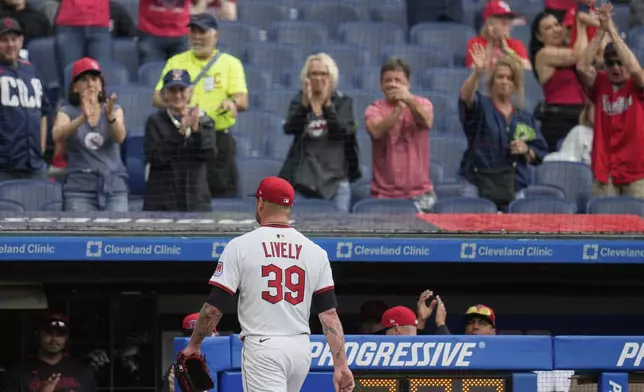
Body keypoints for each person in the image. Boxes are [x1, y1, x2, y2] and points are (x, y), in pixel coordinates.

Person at [179, 176, 354, 392]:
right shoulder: (316, 251)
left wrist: (195, 344)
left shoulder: (240, 246)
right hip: (300, 350)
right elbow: (329, 315)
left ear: (261, 203)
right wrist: (341, 364)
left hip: (263, 346)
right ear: (289, 207)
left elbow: (214, 308)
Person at [153, 13, 248, 198]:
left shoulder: (231, 64)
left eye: (202, 32)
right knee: (185, 193)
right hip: (185, 136)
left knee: (222, 194)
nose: (196, 37)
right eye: (193, 31)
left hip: (218, 138)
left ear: (215, 35)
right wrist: (177, 102)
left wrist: (232, 103)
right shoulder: (176, 62)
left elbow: (242, 100)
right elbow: (156, 98)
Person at [459, 46, 548, 208]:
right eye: (500, 77)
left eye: (510, 78)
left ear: (515, 83)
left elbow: (539, 153)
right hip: (477, 184)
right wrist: (477, 73)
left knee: (515, 232)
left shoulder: (524, 118)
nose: (505, 81)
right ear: (493, 80)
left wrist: (526, 150)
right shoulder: (482, 106)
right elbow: (466, 97)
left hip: (514, 187)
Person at [576, 3, 644, 198]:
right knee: (603, 227)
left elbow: (636, 70)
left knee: (637, 227)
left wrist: (612, 31)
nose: (615, 67)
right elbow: (581, 66)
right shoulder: (601, 83)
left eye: (619, 63)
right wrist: (600, 31)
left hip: (637, 172)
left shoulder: (637, 84)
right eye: (610, 63)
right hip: (605, 172)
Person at [280, 53, 360, 213]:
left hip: (336, 181)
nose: (318, 78)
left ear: (332, 77)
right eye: (313, 73)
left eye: (323, 73)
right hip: (303, 181)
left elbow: (342, 132)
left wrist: (328, 107)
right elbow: (290, 128)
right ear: (306, 77)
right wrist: (304, 105)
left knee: (337, 231)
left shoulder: (344, 103)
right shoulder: (299, 101)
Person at [52, 57, 129, 212]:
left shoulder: (114, 110)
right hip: (78, 189)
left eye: (94, 79)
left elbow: (119, 137)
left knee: (116, 235)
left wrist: (110, 118)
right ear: (75, 87)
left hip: (114, 187)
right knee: (80, 236)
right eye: (84, 80)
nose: (90, 84)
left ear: (101, 85)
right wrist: (82, 118)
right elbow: (57, 135)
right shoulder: (67, 111)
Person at [364, 58, 436, 212]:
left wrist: (408, 100)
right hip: (384, 195)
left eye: (398, 80)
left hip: (421, 195)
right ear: (381, 85)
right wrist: (398, 110)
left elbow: (427, 121)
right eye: (388, 80)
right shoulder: (374, 109)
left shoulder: (423, 103)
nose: (393, 84)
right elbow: (376, 131)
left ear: (408, 84)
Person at [143, 69, 215, 212]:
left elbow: (210, 154)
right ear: (164, 94)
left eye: (182, 90)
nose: (177, 95)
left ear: (190, 92)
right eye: (172, 90)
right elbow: (155, 157)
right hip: (162, 200)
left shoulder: (204, 120)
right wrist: (181, 133)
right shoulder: (155, 121)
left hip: (195, 199)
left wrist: (196, 132)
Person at [530, 12, 588, 152]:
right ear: (539, 36)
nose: (556, 29)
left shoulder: (567, 50)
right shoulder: (543, 55)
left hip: (581, 116)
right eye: (548, 28)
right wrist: (581, 25)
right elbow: (579, 55)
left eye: (557, 25)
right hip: (559, 121)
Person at [0, 17, 49, 180]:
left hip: (35, 163)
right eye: (4, 40)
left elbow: (43, 111)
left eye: (14, 39)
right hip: (4, 166)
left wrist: (41, 147)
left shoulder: (32, 70)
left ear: (21, 41)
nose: (10, 45)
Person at [4, 313, 97, 392]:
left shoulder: (83, 372)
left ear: (66, 338)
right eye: (49, 333)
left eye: (60, 334)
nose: (54, 339)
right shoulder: (18, 373)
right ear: (37, 335)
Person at [159, 313, 218, 392]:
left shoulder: (231, 364)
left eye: (202, 335)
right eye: (190, 335)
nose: (195, 340)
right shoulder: (177, 369)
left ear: (216, 335)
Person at [465, 1, 531, 71]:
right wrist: (491, 43)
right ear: (489, 22)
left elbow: (528, 68)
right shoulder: (476, 43)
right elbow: (473, 72)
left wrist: (508, 51)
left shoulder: (515, 44)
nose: (507, 23)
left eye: (509, 18)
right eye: (501, 18)